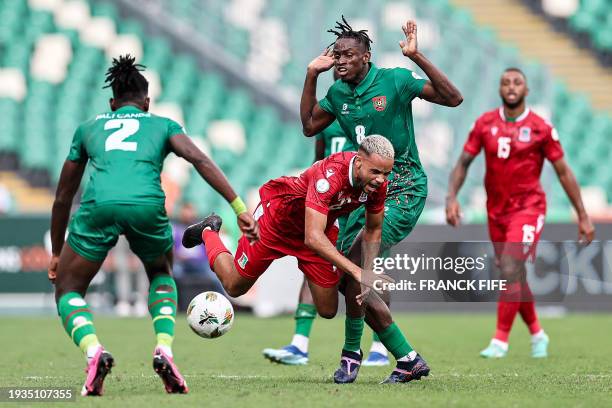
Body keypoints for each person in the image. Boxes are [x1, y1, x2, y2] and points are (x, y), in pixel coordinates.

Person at [48, 55, 258, 396]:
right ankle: (164, 347)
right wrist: (238, 207)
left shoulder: (87, 128)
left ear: (111, 103)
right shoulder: (161, 124)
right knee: (160, 275)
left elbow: (62, 197)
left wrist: (57, 253)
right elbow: (199, 159)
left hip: (99, 205)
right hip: (147, 205)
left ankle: (93, 350)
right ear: (146, 103)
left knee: (68, 290)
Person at [300, 16, 462, 383]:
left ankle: (397, 357)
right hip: (363, 193)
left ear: (366, 57)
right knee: (350, 277)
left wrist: (417, 57)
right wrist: (311, 74)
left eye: (348, 55)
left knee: (356, 265)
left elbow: (453, 98)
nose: (339, 61)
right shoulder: (338, 93)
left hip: (403, 187)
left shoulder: (394, 80)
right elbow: (309, 125)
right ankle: (356, 355)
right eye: (335, 55)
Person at [183, 136, 395, 373]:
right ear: (358, 163)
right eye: (376, 171)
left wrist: (368, 268)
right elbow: (312, 238)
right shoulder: (330, 175)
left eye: (386, 173)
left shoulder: (378, 184)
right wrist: (357, 271)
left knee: (327, 310)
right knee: (234, 286)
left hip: (318, 229)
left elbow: (374, 229)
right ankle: (209, 231)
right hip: (277, 222)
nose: (381, 179)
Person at [446, 67, 595, 358]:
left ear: (526, 91)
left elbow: (563, 172)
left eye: (517, 83)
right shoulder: (484, 124)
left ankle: (500, 340)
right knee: (514, 273)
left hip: (528, 208)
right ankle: (538, 333)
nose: (511, 87)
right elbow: (463, 163)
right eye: (505, 82)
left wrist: (583, 214)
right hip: (496, 210)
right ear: (500, 89)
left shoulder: (541, 127)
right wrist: (452, 197)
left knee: (511, 268)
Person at [262, 119, 390, 366]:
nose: (342, 83)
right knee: (314, 263)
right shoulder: (326, 125)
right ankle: (299, 344)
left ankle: (379, 346)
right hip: (329, 204)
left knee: (372, 268)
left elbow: (383, 164)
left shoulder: (371, 119)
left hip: (363, 199)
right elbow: (318, 161)